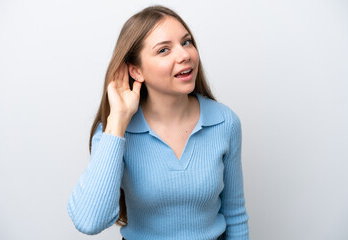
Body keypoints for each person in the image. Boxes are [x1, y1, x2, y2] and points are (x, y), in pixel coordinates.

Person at [67, 5, 249, 240]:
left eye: (186, 42)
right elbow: (89, 221)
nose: (185, 55)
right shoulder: (114, 130)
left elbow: (235, 214)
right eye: (164, 50)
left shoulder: (225, 123)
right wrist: (118, 122)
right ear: (136, 71)